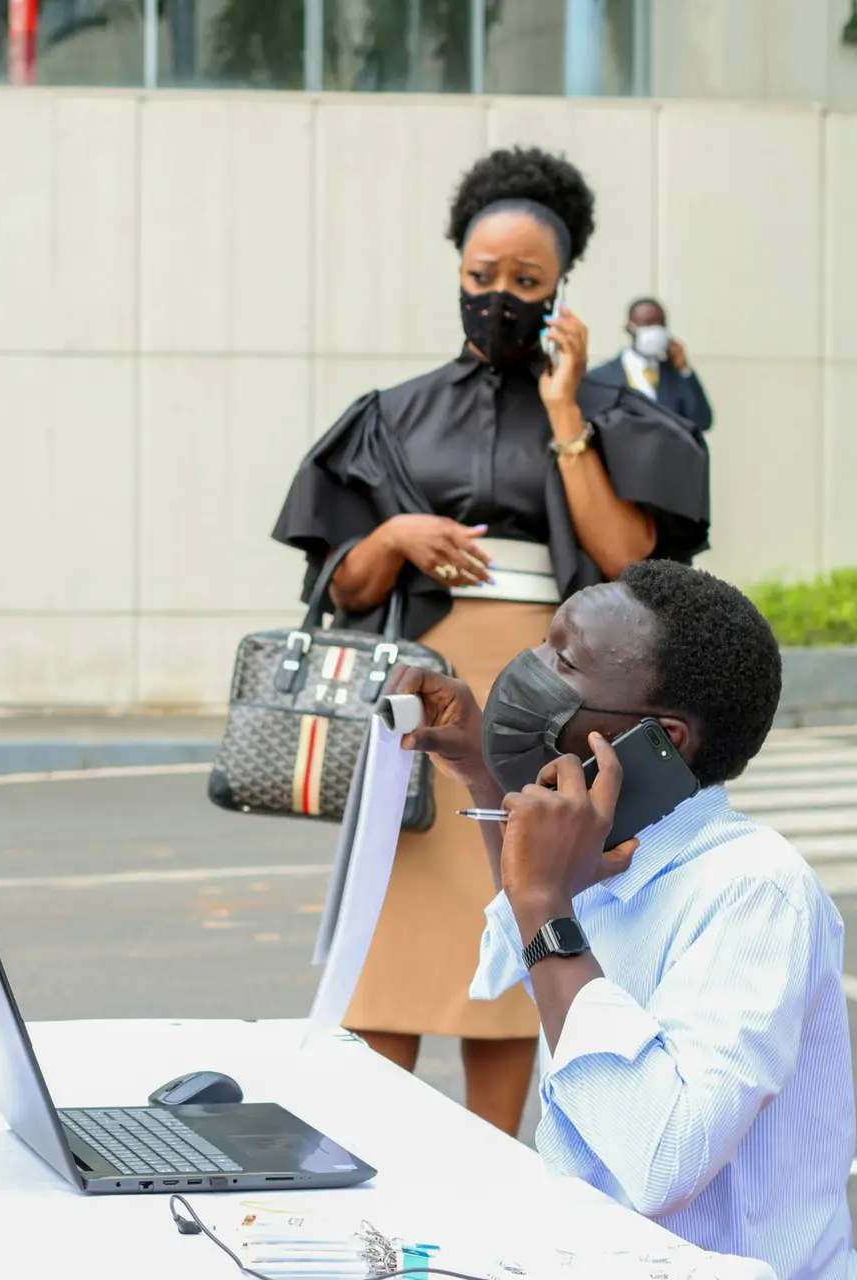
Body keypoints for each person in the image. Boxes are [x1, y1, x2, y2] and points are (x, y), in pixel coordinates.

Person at [270, 146, 710, 1135]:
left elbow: (625, 553)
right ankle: (370, 1146)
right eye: (480, 278)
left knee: (521, 918)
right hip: (415, 699)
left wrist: (565, 411)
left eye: (525, 282)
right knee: (395, 935)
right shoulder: (392, 418)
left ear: (561, 288)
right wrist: (390, 535)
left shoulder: (608, 414)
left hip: (553, 702)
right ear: (456, 271)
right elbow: (335, 584)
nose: (498, 297)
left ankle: (498, 1157)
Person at [390, 561, 854, 1280]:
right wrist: (489, 777)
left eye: (564, 660)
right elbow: (528, 948)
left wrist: (546, 902)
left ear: (660, 738)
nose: (528, 670)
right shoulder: (606, 852)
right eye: (545, 645)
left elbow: (661, 1158)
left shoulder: (755, 891)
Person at [587, 297, 714, 432]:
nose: (654, 330)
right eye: (647, 324)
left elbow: (703, 421)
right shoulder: (601, 377)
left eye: (660, 324)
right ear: (630, 328)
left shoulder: (674, 374)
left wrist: (684, 369)